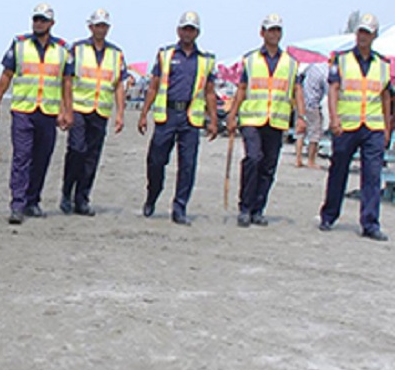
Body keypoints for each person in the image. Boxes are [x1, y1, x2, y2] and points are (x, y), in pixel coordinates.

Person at [0, 3, 73, 224]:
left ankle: (32, 201)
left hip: (48, 112)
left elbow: (66, 83)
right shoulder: (20, 45)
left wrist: (67, 111)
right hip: (23, 110)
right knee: (21, 157)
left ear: (51, 24)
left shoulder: (63, 49)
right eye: (36, 19)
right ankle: (17, 204)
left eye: (43, 20)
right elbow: (6, 76)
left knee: (42, 158)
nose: (38, 23)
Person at [137, 11, 219, 225]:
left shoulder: (205, 60)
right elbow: (154, 86)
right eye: (185, 28)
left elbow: (210, 92)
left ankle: (179, 207)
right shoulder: (166, 55)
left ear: (197, 33)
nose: (188, 33)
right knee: (155, 160)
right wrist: (144, 113)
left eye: (192, 29)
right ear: (178, 30)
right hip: (167, 115)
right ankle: (152, 195)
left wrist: (213, 120)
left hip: (191, 118)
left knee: (188, 165)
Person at [318, 13, 393, 241]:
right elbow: (333, 90)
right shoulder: (341, 60)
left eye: (367, 33)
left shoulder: (382, 65)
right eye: (360, 32)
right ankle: (329, 215)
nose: (363, 37)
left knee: (372, 175)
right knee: (338, 170)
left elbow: (386, 97)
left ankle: (370, 223)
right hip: (347, 125)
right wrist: (334, 118)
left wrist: (387, 127)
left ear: (374, 36)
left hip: (372, 126)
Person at [225, 14, 304, 227]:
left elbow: (297, 90)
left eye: (278, 30)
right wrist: (232, 114)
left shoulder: (291, 63)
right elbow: (242, 89)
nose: (274, 34)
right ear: (262, 33)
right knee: (253, 158)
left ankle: (258, 209)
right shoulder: (250, 60)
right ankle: (245, 207)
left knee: (269, 166)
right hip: (252, 118)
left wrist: (301, 117)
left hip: (276, 120)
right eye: (270, 30)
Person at [59, 8, 127, 216]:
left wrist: (120, 114)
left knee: (92, 157)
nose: (101, 29)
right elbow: (67, 81)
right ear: (90, 27)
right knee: (77, 150)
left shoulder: (116, 54)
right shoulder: (77, 49)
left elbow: (118, 85)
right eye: (97, 25)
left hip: (101, 111)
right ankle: (67, 192)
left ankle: (82, 198)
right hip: (79, 108)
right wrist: (65, 109)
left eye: (104, 26)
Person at [294, 61, 329, 168]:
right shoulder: (325, 71)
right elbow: (328, 90)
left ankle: (298, 159)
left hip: (301, 102)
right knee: (315, 132)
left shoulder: (310, 67)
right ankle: (311, 161)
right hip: (313, 104)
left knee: (300, 131)